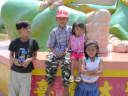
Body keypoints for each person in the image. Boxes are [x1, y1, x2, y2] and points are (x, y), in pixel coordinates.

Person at [45, 9, 72, 96]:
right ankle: (50, 84)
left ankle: (66, 87)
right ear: (56, 19)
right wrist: (56, 52)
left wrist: (65, 51)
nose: (62, 20)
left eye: (64, 18)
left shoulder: (71, 29)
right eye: (60, 18)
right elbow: (50, 45)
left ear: (67, 20)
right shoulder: (54, 31)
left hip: (67, 51)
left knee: (67, 62)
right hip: (56, 51)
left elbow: (72, 41)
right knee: (49, 60)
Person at [8, 21, 39, 96]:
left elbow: (35, 55)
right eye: (28, 28)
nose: (29, 30)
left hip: (26, 72)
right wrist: (14, 60)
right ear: (21, 29)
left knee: (25, 92)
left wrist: (29, 60)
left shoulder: (33, 42)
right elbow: (11, 55)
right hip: (15, 71)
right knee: (13, 92)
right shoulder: (14, 42)